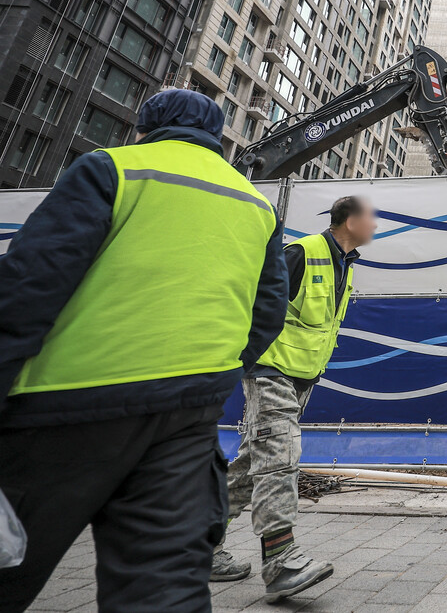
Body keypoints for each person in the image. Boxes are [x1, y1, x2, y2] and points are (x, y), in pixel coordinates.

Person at [0, 89, 287, 612]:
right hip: (186, 417)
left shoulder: (110, 169)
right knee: (163, 588)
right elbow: (268, 312)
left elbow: (27, 287)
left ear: (144, 127)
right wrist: (218, 372)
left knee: (10, 560)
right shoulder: (255, 203)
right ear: (219, 136)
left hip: (66, 406)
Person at [212, 196, 376, 602]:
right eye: (370, 217)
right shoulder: (302, 253)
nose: (375, 224)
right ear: (350, 220)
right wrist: (249, 362)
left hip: (300, 378)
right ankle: (281, 559)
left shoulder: (345, 264)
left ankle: (197, 545)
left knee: (255, 465)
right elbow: (257, 305)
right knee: (280, 456)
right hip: (270, 371)